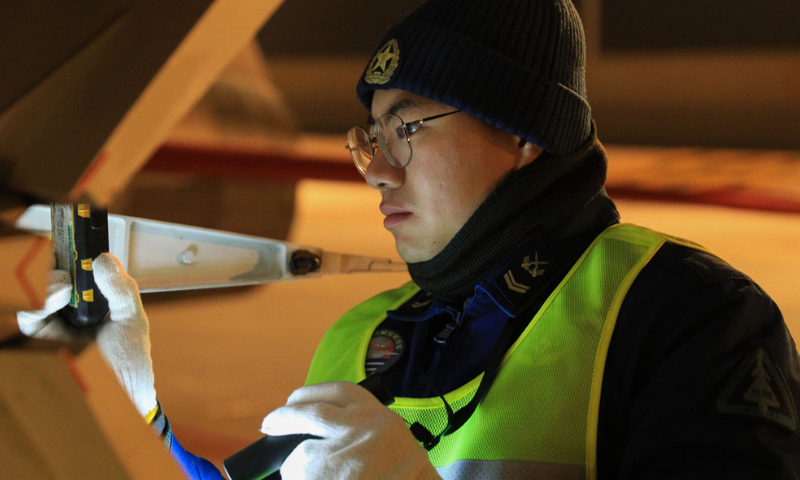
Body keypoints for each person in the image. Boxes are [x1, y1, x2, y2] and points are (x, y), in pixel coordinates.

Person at [18, 0, 800, 478]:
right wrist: (139, 409)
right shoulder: (360, 337)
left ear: (525, 132)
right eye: (372, 137)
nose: (379, 171)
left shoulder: (688, 314)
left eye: (411, 128)